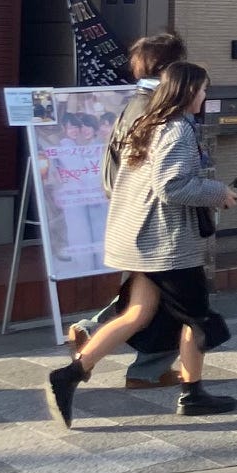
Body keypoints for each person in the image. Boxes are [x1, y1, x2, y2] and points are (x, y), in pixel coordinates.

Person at [46, 62, 237, 428]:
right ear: (185, 92)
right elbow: (172, 186)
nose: (205, 96)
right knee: (197, 321)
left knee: (137, 315)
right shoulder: (177, 129)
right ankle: (193, 393)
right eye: (202, 90)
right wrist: (219, 193)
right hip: (166, 245)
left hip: (138, 239)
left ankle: (71, 374)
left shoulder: (146, 123)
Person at [67, 32, 188, 389]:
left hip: (135, 216)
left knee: (146, 296)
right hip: (155, 220)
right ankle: (131, 360)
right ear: (170, 67)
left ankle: (140, 366)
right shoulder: (158, 109)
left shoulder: (137, 102)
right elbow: (163, 175)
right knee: (169, 299)